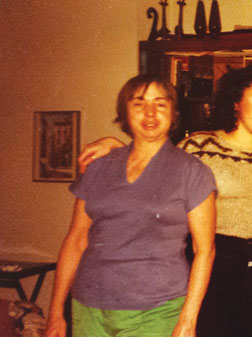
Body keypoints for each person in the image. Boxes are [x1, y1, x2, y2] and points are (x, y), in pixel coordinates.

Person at [45, 74, 217, 337]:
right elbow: (76, 240)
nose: (149, 113)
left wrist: (188, 320)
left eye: (160, 104)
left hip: (156, 311)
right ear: (125, 111)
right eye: (138, 103)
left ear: (173, 113)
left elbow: (204, 251)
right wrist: (56, 311)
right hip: (88, 307)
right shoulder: (99, 166)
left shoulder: (193, 171)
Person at [178, 66, 252, 337]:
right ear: (236, 101)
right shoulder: (199, 147)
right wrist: (114, 145)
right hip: (213, 260)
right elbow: (150, 163)